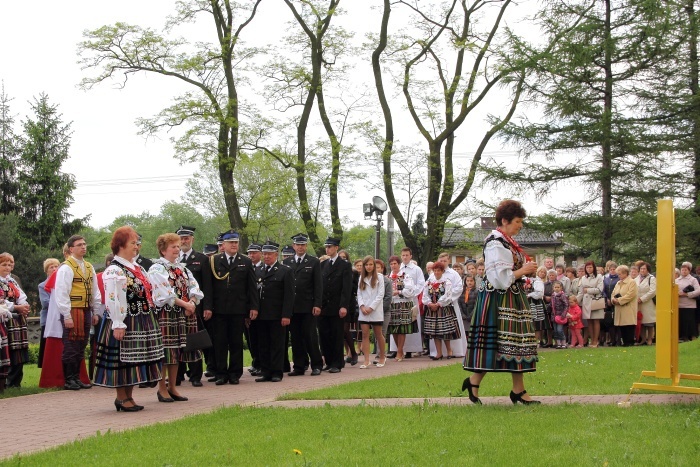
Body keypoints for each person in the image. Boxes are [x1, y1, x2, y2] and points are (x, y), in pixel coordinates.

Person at [462, 200, 540, 405]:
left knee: (514, 344)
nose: (520, 225)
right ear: (504, 221)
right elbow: (498, 277)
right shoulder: (496, 242)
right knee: (499, 343)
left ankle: (515, 389)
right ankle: (478, 383)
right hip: (498, 298)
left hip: (511, 296)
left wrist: (524, 271)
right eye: (517, 221)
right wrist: (523, 270)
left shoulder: (507, 241)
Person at [93, 226, 164, 412]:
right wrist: (118, 322)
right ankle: (121, 397)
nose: (137, 246)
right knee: (122, 359)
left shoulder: (137, 267)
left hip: (141, 317)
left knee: (134, 359)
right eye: (133, 243)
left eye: (137, 243)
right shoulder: (114, 270)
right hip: (125, 319)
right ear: (121, 245)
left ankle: (129, 396)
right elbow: (113, 298)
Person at [149, 232, 204, 402]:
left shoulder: (183, 268)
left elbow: (195, 287)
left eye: (178, 247)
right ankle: (162, 388)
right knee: (165, 352)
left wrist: (193, 303)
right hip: (167, 314)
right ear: (163, 250)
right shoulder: (157, 268)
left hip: (183, 314)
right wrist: (186, 304)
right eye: (173, 247)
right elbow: (164, 293)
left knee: (178, 351)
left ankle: (173, 387)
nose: (177, 250)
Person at [201, 230, 259, 385]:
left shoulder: (245, 261)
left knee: (236, 343)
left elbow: (251, 287)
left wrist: (253, 307)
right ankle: (221, 373)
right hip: (219, 310)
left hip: (238, 309)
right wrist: (208, 307)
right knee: (219, 342)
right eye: (231, 242)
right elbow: (208, 287)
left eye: (236, 242)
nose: (234, 245)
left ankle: (235, 373)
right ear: (223, 245)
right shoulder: (213, 261)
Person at [54, 235, 102, 390]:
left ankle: (76, 377)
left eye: (84, 243)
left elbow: (95, 290)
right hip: (73, 309)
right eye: (79, 244)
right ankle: (69, 379)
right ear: (71, 249)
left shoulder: (89, 267)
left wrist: (95, 311)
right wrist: (66, 315)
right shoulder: (66, 267)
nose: (83, 246)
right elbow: (61, 292)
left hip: (86, 309)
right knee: (71, 344)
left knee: (81, 344)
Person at [176, 225, 212, 387]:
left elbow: (208, 285)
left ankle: (196, 375)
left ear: (192, 239)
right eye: (181, 238)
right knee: (177, 341)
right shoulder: (173, 259)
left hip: (195, 307)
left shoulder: (202, 259)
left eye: (187, 238)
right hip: (176, 307)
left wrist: (207, 307)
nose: (184, 241)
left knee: (194, 341)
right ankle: (178, 375)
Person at [284, 233, 324, 377]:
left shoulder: (313, 262)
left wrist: (317, 304)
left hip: (308, 305)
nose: (300, 247)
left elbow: (318, 285)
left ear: (306, 246)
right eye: (298, 244)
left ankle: (316, 364)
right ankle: (299, 366)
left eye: (303, 244)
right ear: (294, 246)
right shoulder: (287, 262)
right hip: (293, 307)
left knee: (310, 336)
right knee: (295, 337)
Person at [255, 242, 294, 382]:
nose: (266, 256)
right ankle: (266, 371)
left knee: (277, 344)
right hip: (261, 314)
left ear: (276, 255)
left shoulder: (285, 270)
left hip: (277, 314)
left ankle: (277, 372)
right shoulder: (258, 271)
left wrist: (286, 315)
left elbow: (289, 295)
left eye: (269, 254)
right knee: (263, 344)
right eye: (264, 254)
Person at [319, 238, 353, 373]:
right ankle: (328, 360)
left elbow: (346, 287)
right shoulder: (323, 265)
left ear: (336, 248)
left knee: (336, 334)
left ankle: (337, 363)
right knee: (324, 335)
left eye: (330, 247)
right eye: (326, 247)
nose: (327, 249)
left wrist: (344, 305)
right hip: (324, 306)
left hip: (337, 305)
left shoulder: (344, 265)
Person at [0, 253, 31, 388]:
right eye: (4, 264)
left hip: (17, 319)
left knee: (19, 351)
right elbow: (2, 301)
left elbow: (21, 295)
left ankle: (15, 382)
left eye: (9, 264)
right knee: (8, 350)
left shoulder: (12, 281)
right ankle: (6, 381)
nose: (8, 267)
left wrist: (24, 306)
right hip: (6, 318)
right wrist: (16, 307)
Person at [391, 247, 425, 358]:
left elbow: (420, 284)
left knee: (405, 327)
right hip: (394, 302)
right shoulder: (394, 271)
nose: (405, 257)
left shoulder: (416, 269)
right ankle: (397, 350)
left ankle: (411, 350)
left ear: (410, 256)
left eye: (407, 255)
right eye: (403, 255)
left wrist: (409, 294)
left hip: (410, 299)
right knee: (396, 327)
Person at [423, 262, 460, 360]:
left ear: (442, 271)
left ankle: (449, 351)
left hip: (443, 308)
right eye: (434, 270)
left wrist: (439, 303)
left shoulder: (446, 282)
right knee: (434, 332)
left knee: (445, 331)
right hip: (432, 309)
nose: (436, 272)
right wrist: (429, 303)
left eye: (438, 270)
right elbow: (425, 294)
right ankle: (439, 353)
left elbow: (448, 295)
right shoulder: (429, 281)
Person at [356, 256, 386, 368]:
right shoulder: (361, 278)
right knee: (365, 334)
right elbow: (359, 293)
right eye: (366, 265)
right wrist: (362, 306)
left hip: (375, 310)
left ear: (374, 265)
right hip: (363, 311)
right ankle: (366, 360)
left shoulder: (380, 277)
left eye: (371, 264)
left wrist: (371, 307)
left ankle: (382, 357)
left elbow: (380, 294)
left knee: (378, 334)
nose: (369, 267)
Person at [387, 255, 418, 361]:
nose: (393, 266)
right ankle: (399, 350)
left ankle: (400, 351)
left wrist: (398, 292)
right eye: (391, 264)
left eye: (395, 263)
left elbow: (410, 291)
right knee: (393, 329)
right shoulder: (388, 278)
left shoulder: (406, 276)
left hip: (403, 303)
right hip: (392, 304)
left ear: (399, 264)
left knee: (402, 329)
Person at [37, 258, 60, 369]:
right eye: (52, 267)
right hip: (47, 319)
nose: (54, 269)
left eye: (56, 266)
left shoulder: (62, 284)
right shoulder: (42, 286)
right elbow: (45, 303)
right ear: (47, 270)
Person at [244, 242, 263, 377]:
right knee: (251, 339)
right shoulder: (245, 267)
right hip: (247, 309)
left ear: (260, 253)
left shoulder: (263, 268)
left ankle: (262, 364)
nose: (251, 255)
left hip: (261, 310)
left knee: (261, 339)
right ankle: (256, 362)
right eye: (249, 253)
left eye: (254, 253)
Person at [577, 260, 605, 348]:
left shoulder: (599, 277)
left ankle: (595, 341)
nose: (589, 269)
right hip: (586, 302)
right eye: (587, 267)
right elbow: (581, 292)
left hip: (596, 301)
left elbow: (600, 289)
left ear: (594, 268)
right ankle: (591, 340)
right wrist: (576, 301)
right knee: (589, 321)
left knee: (596, 320)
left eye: (590, 267)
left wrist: (588, 290)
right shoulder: (583, 278)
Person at [611, 265, 638, 346]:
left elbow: (631, 295)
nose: (618, 276)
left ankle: (629, 342)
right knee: (622, 326)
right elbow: (613, 293)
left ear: (625, 273)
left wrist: (619, 300)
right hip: (619, 308)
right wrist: (613, 299)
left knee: (628, 325)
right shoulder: (618, 283)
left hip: (628, 307)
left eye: (620, 274)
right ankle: (624, 342)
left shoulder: (632, 282)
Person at [676, 262, 700, 342]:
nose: (684, 271)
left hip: (689, 304)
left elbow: (698, 291)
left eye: (685, 270)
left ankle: (692, 336)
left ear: (689, 271)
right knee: (682, 321)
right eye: (682, 270)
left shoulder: (693, 280)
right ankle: (683, 336)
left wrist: (687, 294)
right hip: (679, 304)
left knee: (690, 321)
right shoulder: (677, 280)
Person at [373, 259, 392, 357]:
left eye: (378, 267)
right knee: (376, 333)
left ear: (382, 269)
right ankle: (378, 353)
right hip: (373, 311)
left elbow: (388, 298)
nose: (376, 269)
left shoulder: (387, 281)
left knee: (382, 332)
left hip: (384, 311)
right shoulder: (369, 280)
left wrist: (379, 309)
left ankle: (380, 354)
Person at [636, 262, 657, 345]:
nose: (642, 270)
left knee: (649, 322)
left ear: (648, 269)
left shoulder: (651, 278)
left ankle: (650, 339)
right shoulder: (637, 278)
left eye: (644, 269)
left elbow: (653, 291)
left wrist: (642, 299)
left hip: (648, 303)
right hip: (638, 303)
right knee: (641, 322)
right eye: (641, 269)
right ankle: (643, 339)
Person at [529, 266, 548, 347]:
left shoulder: (539, 281)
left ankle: (536, 340)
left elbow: (540, 294)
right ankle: (530, 340)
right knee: (531, 321)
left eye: (544, 272)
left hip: (536, 302)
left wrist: (529, 294)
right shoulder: (530, 279)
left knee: (537, 322)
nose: (542, 273)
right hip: (530, 302)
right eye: (541, 272)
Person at [603, 261, 621, 346]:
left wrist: (614, 299)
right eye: (611, 269)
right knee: (609, 322)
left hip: (616, 301)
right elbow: (604, 290)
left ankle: (618, 340)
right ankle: (612, 339)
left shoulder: (619, 279)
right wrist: (607, 299)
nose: (613, 271)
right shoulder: (606, 279)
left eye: (614, 269)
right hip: (608, 303)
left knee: (617, 321)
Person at [551, 281, 569, 349]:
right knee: (555, 331)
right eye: (555, 287)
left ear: (561, 288)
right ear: (553, 288)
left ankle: (563, 343)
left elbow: (566, 305)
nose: (557, 288)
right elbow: (551, 305)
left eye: (558, 287)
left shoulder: (562, 295)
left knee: (559, 330)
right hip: (554, 316)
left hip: (560, 316)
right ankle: (558, 343)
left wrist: (564, 314)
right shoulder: (553, 295)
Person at [461, 274, 477, 340]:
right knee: (464, 333)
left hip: (472, 316)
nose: (469, 282)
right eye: (467, 281)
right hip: (464, 315)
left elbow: (476, 304)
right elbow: (459, 303)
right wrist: (462, 314)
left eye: (471, 281)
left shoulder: (477, 291)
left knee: (471, 333)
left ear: (474, 282)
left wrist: (471, 315)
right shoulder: (462, 291)